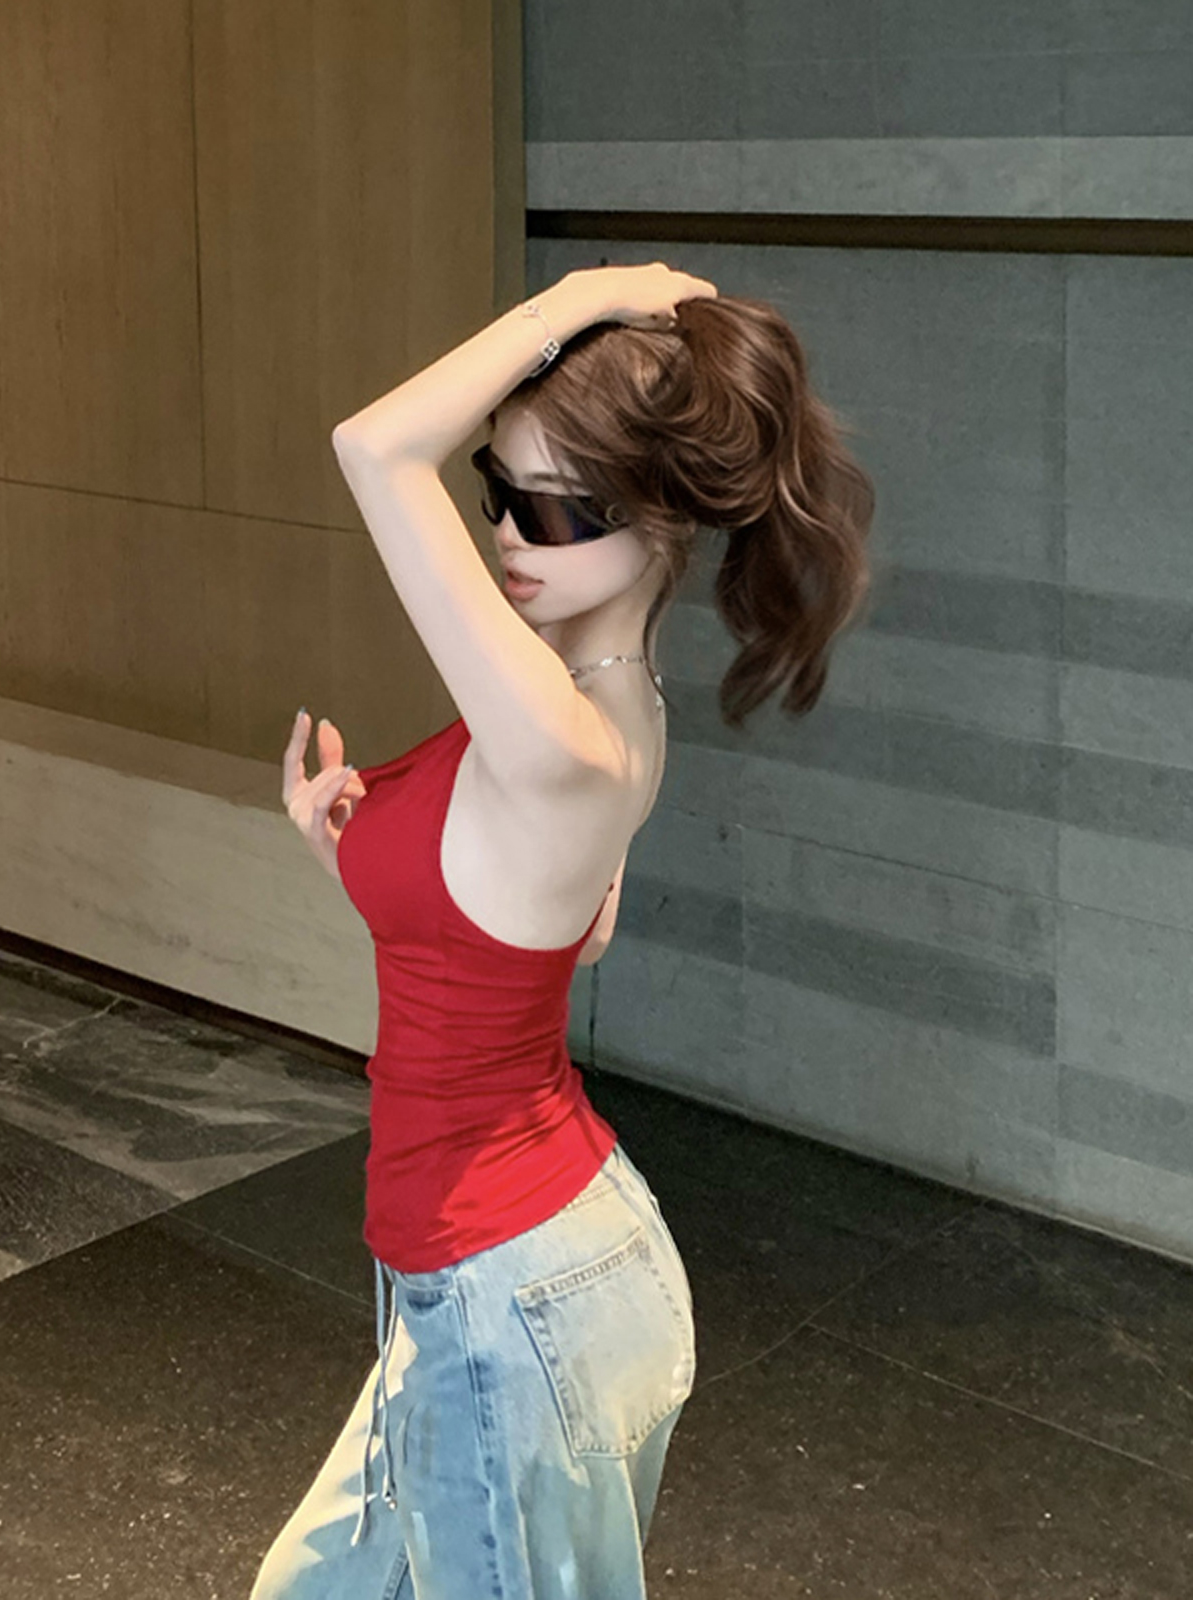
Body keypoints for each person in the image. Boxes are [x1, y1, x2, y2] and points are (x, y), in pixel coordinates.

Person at [260, 262, 874, 1599]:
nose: (509, 534)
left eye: (556, 507)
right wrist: (345, 845)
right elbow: (510, 931)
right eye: (497, 489)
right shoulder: (589, 702)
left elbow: (375, 446)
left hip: (509, 1299)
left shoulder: (564, 740)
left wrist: (588, 295)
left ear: (664, 520)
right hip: (508, 1271)